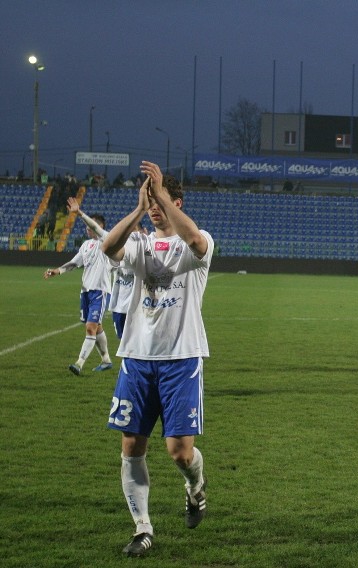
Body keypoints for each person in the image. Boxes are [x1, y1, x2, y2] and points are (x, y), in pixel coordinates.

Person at [101, 162, 213, 557]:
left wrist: (162, 194)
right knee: (131, 446)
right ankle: (142, 527)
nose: (153, 207)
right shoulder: (139, 245)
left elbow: (197, 242)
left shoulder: (195, 243)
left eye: (160, 200)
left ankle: (195, 486)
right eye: (150, 201)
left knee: (180, 452)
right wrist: (138, 207)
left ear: (175, 201)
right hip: (137, 357)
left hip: (182, 359)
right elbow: (108, 247)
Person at [43, 197, 113, 375]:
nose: (86, 228)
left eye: (89, 226)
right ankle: (106, 360)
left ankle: (79, 363)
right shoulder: (86, 245)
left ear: (97, 226)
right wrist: (57, 271)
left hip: (100, 291)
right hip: (86, 292)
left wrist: (80, 213)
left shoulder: (107, 242)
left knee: (90, 327)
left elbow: (97, 229)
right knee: (96, 327)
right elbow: (74, 263)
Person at [108, 222, 148, 340]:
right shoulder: (119, 251)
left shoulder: (147, 250)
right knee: (123, 342)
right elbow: (110, 266)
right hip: (119, 306)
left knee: (140, 342)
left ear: (141, 232)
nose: (130, 234)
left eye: (134, 230)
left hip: (140, 307)